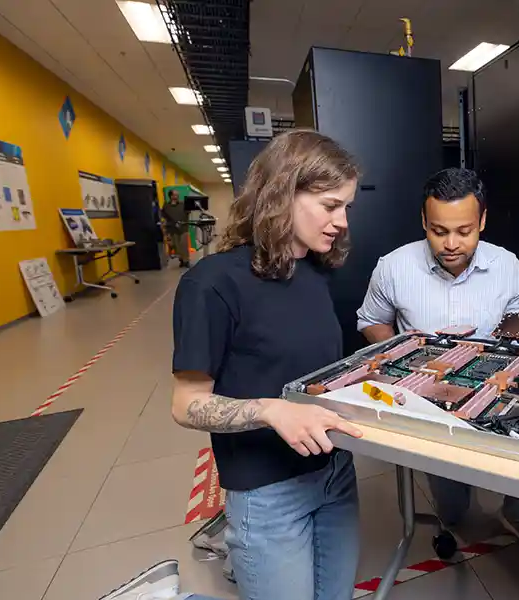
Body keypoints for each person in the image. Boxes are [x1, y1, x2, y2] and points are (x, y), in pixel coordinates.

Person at [171, 130, 365, 600]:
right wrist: (270, 410)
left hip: (335, 473)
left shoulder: (318, 273)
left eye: (346, 208)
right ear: (282, 194)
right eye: (329, 205)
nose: (341, 221)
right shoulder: (212, 284)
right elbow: (186, 405)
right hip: (267, 492)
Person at [355, 167, 519, 570]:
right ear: (423, 222)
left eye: (465, 231)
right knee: (453, 511)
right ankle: (454, 501)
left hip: (496, 389)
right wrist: (405, 354)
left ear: (482, 221)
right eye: (438, 231)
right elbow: (370, 320)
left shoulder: (506, 266)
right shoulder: (394, 267)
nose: (451, 244)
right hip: (427, 402)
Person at [163, 189, 191, 267]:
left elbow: (188, 214)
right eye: (175, 195)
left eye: (177, 195)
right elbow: (164, 218)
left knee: (184, 245)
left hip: (183, 228)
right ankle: (181, 260)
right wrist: (166, 229)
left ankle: (186, 261)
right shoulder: (166, 206)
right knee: (177, 247)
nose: (177, 196)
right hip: (172, 229)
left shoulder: (183, 204)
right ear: (171, 196)